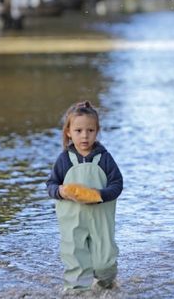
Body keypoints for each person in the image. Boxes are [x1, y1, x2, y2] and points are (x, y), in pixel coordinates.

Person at [46, 101, 123, 291]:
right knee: (76, 260)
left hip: (100, 219)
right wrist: (60, 191)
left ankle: (107, 285)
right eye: (78, 130)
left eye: (90, 130)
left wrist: (99, 194)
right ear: (68, 132)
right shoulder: (64, 160)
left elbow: (117, 185)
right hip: (73, 220)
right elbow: (51, 185)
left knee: (105, 261)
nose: (84, 135)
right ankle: (76, 292)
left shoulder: (104, 158)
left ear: (97, 131)